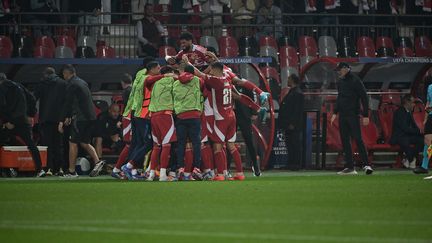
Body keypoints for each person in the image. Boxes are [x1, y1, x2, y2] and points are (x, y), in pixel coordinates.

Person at [58, 65, 105, 177]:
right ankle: (98, 162)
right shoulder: (82, 82)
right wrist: (69, 116)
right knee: (84, 142)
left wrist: (61, 120)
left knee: (72, 143)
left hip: (81, 119)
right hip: (91, 117)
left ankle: (71, 171)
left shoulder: (72, 84)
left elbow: (68, 103)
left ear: (66, 74)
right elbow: (78, 101)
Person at [331, 62, 373, 175]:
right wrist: (335, 112)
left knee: (358, 139)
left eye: (340, 70)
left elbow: (364, 97)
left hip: (353, 115)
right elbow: (340, 98)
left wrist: (365, 115)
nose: (338, 72)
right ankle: (350, 167)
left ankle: (366, 165)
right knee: (345, 141)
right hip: (343, 115)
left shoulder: (356, 80)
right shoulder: (341, 82)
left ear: (345, 69)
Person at [0, 73, 46, 177]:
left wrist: (7, 121)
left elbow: (2, 106)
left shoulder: (2, 88)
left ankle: (4, 169)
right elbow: (32, 99)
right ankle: (40, 170)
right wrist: (31, 114)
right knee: (31, 144)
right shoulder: (19, 85)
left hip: (11, 121)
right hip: (23, 120)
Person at [34, 67, 67, 176]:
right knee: (59, 144)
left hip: (45, 118)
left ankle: (49, 168)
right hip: (59, 119)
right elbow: (67, 101)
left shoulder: (42, 83)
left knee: (47, 145)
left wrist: (31, 113)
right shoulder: (63, 83)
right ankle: (61, 168)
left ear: (45, 75)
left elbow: (34, 98)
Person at [147, 65, 178, 181]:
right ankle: (163, 175)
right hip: (165, 115)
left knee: (156, 146)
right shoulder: (171, 79)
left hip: (153, 116)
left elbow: (148, 81)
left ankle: (151, 174)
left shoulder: (154, 83)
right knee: (166, 145)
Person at [278, 74, 305, 170]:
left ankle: (296, 164)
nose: (287, 81)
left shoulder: (297, 93)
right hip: (288, 124)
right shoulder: (292, 92)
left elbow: (297, 110)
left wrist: (293, 123)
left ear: (293, 80)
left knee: (295, 144)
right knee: (290, 144)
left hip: (293, 125)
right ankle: (291, 163)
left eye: (289, 79)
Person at [390, 94, 423, 169]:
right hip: (398, 136)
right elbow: (404, 128)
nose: (414, 104)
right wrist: (418, 131)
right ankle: (412, 159)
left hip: (406, 135)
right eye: (412, 102)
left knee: (422, 140)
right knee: (404, 141)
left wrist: (420, 132)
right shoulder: (399, 112)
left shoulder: (409, 112)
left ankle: (408, 159)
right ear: (407, 102)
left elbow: (414, 126)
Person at [414, 74, 432, 174]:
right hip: (431, 116)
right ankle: (424, 167)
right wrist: (425, 118)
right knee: (427, 141)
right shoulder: (430, 87)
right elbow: (428, 103)